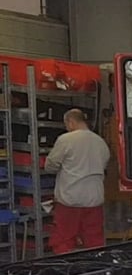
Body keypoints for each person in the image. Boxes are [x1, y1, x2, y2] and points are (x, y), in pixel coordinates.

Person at [45, 108, 112, 254]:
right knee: (95, 242)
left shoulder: (66, 140)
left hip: (70, 199)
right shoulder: (100, 142)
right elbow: (104, 165)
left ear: (71, 122)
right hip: (94, 200)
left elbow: (50, 166)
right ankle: (97, 270)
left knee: (64, 240)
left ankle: (66, 271)